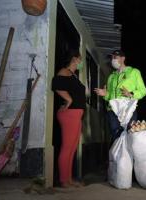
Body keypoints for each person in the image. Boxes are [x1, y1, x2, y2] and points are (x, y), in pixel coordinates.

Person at [94, 50, 146, 141]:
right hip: (113, 110)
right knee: (116, 135)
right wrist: (105, 94)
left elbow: (143, 91)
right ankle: (118, 155)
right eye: (112, 58)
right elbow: (109, 96)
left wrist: (131, 94)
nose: (113, 60)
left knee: (130, 135)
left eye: (115, 57)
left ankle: (129, 155)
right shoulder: (111, 77)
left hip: (127, 109)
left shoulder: (133, 72)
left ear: (123, 58)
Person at [52, 49, 85, 188]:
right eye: (80, 59)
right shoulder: (64, 71)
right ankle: (64, 180)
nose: (81, 62)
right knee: (67, 147)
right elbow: (56, 84)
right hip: (69, 114)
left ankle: (69, 179)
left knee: (72, 148)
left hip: (76, 114)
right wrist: (69, 99)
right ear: (74, 59)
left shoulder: (72, 74)